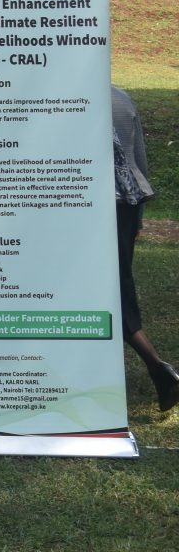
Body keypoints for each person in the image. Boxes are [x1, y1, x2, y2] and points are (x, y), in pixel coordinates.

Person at [111, 85, 178, 410]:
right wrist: (138, 217)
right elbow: (139, 162)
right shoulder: (121, 96)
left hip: (92, 204)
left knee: (113, 290)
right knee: (118, 283)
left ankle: (158, 368)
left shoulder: (66, 96)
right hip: (127, 203)